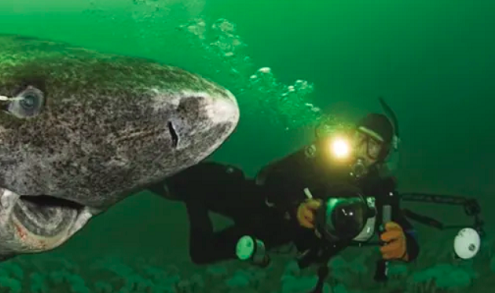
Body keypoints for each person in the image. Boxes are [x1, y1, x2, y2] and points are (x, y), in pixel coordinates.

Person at [150, 108, 420, 271]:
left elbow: (407, 229)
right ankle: (151, 176)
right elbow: (274, 176)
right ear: (349, 136)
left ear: (383, 155)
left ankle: (188, 194)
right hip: (256, 201)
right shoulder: (325, 154)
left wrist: (406, 246)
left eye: (373, 147)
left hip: (277, 232)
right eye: (359, 138)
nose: (362, 151)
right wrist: (296, 205)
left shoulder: (379, 189)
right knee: (204, 176)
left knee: (203, 252)